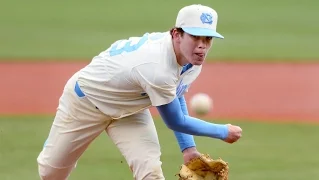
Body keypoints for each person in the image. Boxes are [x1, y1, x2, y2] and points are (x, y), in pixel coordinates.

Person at [37, 4, 242, 180]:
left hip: (130, 108)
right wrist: (222, 131)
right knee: (50, 174)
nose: (202, 46)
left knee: (150, 173)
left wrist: (188, 149)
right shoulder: (157, 66)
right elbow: (175, 121)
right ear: (176, 34)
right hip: (86, 102)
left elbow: (176, 93)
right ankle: (56, 142)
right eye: (195, 37)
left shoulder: (192, 61)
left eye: (207, 39)